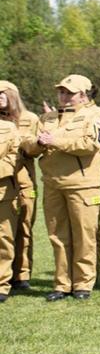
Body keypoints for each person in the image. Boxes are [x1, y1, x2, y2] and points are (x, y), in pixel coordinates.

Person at [21, 75, 100, 301]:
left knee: (84, 234)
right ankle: (62, 284)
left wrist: (55, 141)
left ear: (83, 94)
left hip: (83, 184)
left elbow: (92, 143)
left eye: (69, 92)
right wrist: (37, 143)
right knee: (57, 236)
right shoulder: (48, 117)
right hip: (53, 184)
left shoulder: (98, 114)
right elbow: (30, 146)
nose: (63, 96)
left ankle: (83, 283)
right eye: (61, 91)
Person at [0, 81, 37, 291]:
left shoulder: (29, 119)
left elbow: (35, 149)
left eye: (2, 93)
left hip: (23, 179)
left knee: (24, 227)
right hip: (4, 182)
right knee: (5, 231)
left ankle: (22, 274)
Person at [0, 113, 21, 303]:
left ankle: (1, 284)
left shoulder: (8, 128)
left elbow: (14, 157)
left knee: (3, 239)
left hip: (3, 190)